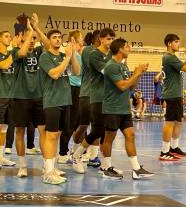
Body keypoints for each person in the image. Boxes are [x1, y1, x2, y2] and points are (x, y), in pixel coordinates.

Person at [101, 38, 154, 179]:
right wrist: (136, 73)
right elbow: (122, 85)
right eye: (127, 46)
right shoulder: (111, 66)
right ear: (120, 49)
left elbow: (131, 87)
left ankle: (136, 169)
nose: (129, 47)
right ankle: (106, 167)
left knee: (130, 135)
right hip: (112, 109)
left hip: (124, 109)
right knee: (108, 139)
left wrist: (139, 73)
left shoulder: (123, 66)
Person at [39, 29, 80, 184]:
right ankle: (48, 172)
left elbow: (77, 72)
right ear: (49, 41)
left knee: (57, 136)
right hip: (52, 101)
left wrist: (72, 54)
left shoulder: (64, 56)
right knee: (50, 135)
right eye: (54, 37)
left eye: (59, 37)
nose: (57, 40)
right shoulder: (45, 56)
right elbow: (54, 74)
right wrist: (67, 58)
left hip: (65, 100)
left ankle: (53, 168)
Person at [12, 14, 51, 178]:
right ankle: (22, 166)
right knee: (20, 131)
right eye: (30, 38)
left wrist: (35, 28)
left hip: (39, 97)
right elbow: (21, 53)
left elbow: (48, 46)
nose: (33, 40)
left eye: (34, 39)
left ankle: (46, 166)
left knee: (43, 131)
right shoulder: (16, 51)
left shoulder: (39, 52)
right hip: (20, 97)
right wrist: (28, 32)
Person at [72, 28, 115, 174]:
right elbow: (108, 72)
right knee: (84, 126)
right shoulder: (90, 52)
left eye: (112, 39)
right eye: (107, 38)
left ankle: (97, 159)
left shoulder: (109, 54)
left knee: (102, 129)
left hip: (105, 96)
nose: (110, 41)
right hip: (88, 93)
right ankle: (74, 153)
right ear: (99, 39)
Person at [0, 31, 17, 169]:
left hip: (12, 95)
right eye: (6, 36)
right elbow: (4, 65)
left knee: (6, 128)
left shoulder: (12, 53)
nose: (10, 38)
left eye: (10, 36)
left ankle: (1, 157)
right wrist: (15, 51)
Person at [159, 34, 186, 161]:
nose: (178, 44)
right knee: (169, 123)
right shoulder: (169, 57)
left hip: (177, 94)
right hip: (171, 95)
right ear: (169, 44)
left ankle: (174, 148)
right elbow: (185, 68)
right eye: (176, 42)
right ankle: (164, 151)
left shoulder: (171, 57)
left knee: (179, 122)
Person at [58, 30, 83, 162]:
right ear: (75, 39)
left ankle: (74, 150)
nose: (82, 39)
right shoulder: (70, 51)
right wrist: (72, 50)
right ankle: (62, 153)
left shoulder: (79, 53)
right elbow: (75, 72)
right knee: (70, 122)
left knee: (78, 123)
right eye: (81, 37)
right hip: (72, 89)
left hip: (80, 90)